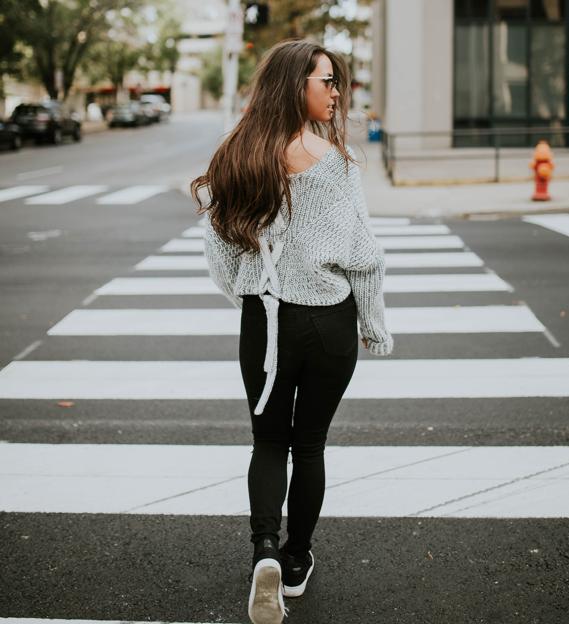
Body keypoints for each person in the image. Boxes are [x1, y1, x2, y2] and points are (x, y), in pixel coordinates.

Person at [190, 38, 393, 624]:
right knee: (309, 446)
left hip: (265, 319)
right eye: (325, 81)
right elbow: (364, 257)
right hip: (329, 322)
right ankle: (297, 561)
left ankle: (264, 553)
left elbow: (220, 252)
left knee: (268, 442)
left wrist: (250, 298)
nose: (336, 92)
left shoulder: (237, 155)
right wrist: (374, 327)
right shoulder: (337, 164)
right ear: (295, 84)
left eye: (336, 82)